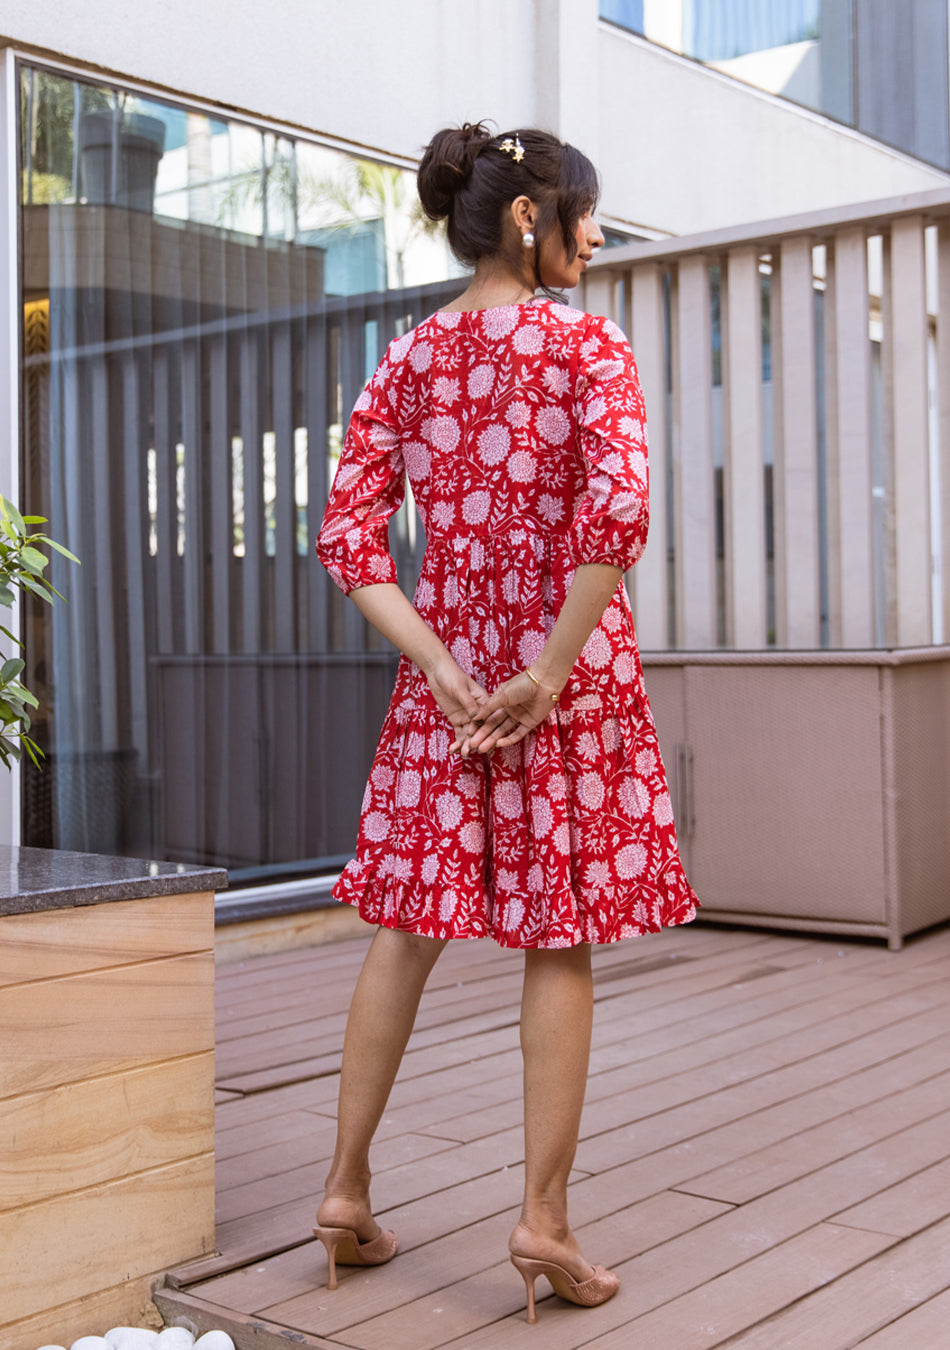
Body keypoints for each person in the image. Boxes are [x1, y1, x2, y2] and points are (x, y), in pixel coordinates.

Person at [314, 122, 698, 1324]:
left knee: (403, 930)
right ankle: (544, 1220)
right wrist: (545, 669)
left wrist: (435, 662)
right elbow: (616, 515)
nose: (596, 234)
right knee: (558, 937)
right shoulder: (587, 347)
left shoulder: (411, 356)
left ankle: (342, 1191)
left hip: (447, 690)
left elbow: (346, 540)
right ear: (529, 218)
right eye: (585, 212)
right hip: (560, 682)